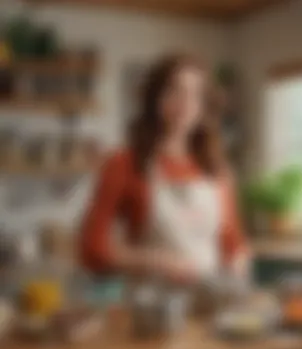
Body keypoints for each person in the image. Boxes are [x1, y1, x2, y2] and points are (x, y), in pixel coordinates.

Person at [80, 53, 250, 288]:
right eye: (174, 91)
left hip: (211, 304)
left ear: (203, 106)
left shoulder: (217, 171)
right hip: (152, 307)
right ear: (155, 99)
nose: (185, 103)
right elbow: (92, 249)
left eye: (195, 95)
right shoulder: (123, 164)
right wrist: (157, 261)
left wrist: (239, 266)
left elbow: (232, 243)